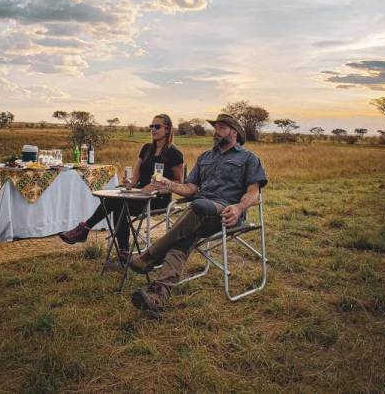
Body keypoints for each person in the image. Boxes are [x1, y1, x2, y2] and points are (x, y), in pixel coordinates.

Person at [128, 113, 268, 319]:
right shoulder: (205, 157)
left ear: (235, 132)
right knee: (182, 241)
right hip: (198, 216)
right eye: (215, 127)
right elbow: (191, 187)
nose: (215, 131)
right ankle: (157, 296)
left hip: (225, 213)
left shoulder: (248, 158)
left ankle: (149, 256)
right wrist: (169, 184)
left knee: (198, 206)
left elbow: (254, 192)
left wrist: (238, 208)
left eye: (221, 127)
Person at [59, 113, 184, 262]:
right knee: (116, 199)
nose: (153, 129)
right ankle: (122, 250)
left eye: (157, 126)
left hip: (158, 198)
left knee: (118, 202)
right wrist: (129, 182)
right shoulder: (147, 149)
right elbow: (135, 178)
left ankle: (87, 230)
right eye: (151, 126)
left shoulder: (174, 153)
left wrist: (157, 188)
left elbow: (179, 182)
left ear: (167, 129)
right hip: (139, 194)